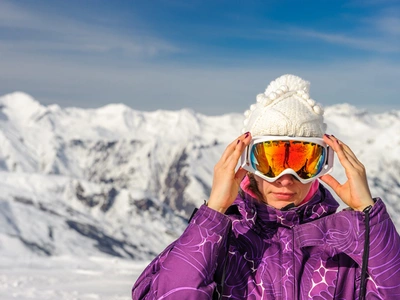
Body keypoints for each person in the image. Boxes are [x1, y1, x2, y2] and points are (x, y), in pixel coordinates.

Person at [132, 74, 400, 299]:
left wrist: (370, 221)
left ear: (321, 165)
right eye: (270, 160)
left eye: (302, 161)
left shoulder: (348, 247)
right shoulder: (221, 243)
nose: (285, 177)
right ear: (247, 161)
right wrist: (213, 212)